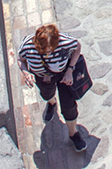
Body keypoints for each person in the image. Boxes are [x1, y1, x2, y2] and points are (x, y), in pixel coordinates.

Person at [15, 24, 89, 152]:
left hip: (63, 75)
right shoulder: (27, 45)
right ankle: (51, 102)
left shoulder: (65, 41)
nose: (48, 53)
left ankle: (73, 133)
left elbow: (77, 47)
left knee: (69, 106)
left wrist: (70, 70)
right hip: (42, 77)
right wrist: (26, 73)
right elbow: (20, 60)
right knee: (46, 94)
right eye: (44, 50)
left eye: (51, 49)